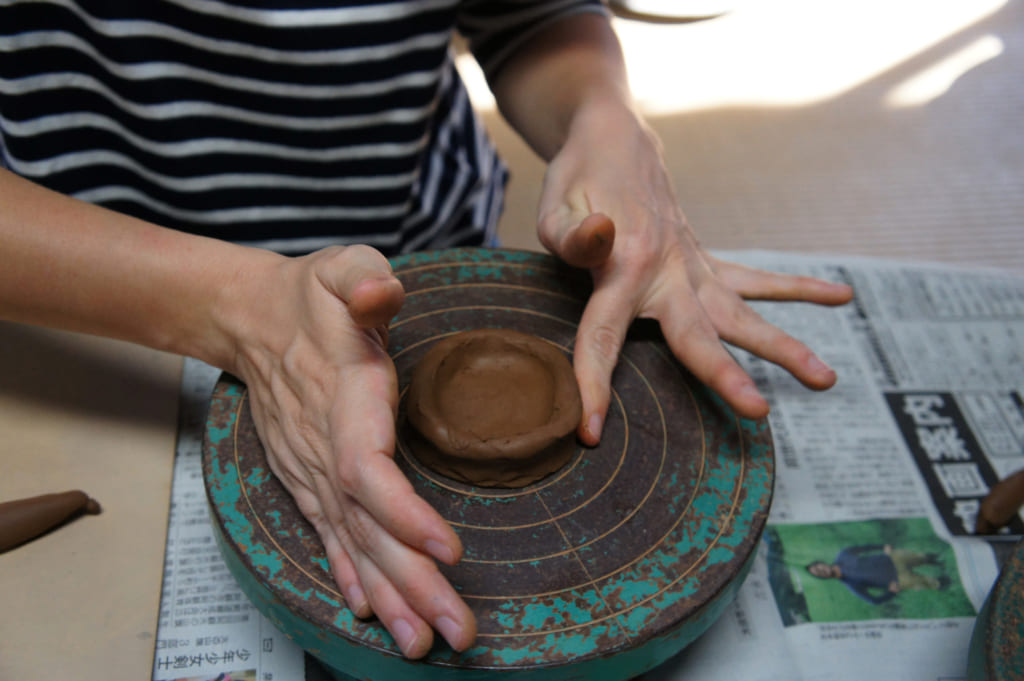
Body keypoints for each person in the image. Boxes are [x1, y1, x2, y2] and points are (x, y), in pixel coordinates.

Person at [0, 0, 853, 659]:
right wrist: (230, 303)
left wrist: (602, 118)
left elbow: (531, 15)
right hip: (98, 296)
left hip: (419, 234)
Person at [806, 544, 949, 605]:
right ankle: (945, 582)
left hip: (891, 558)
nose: (821, 570)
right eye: (819, 573)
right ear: (823, 577)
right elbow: (873, 601)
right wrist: (891, 593)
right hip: (896, 579)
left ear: (822, 562)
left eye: (819, 567)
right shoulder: (851, 584)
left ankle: (936, 560)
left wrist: (882, 546)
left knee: (920, 557)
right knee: (928, 583)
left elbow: (864, 547)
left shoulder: (843, 555)